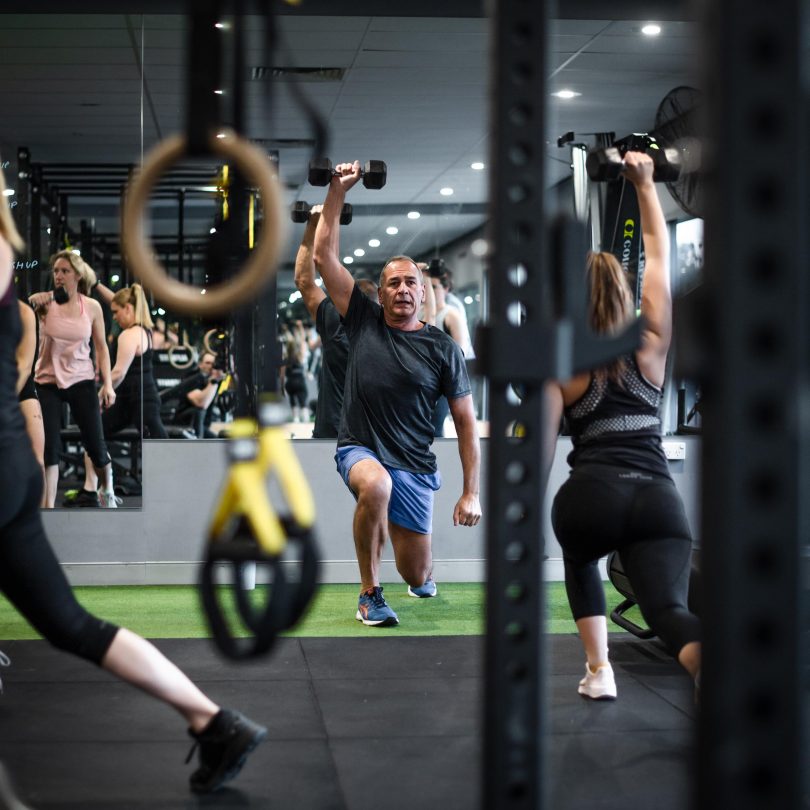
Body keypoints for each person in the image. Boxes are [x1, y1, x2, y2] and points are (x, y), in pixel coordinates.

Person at [0, 169, 266, 794]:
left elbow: (95, 359)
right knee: (69, 622)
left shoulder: (90, 311)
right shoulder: (8, 263)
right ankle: (213, 719)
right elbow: (21, 356)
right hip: (12, 463)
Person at [542, 151, 701, 700]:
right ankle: (702, 659)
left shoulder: (563, 365)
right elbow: (659, 258)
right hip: (659, 498)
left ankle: (599, 671)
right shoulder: (651, 346)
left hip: (592, 495)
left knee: (579, 555)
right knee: (669, 610)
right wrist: (645, 185)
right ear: (625, 297)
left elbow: (539, 454)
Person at [313, 160, 482, 627]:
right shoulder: (362, 319)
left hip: (414, 463)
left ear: (423, 292)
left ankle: (415, 572)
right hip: (361, 447)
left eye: (411, 282)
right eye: (394, 283)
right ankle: (369, 593)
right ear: (381, 293)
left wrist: (471, 492)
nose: (403, 290)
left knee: (419, 571)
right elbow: (324, 260)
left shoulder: (442, 348)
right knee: (375, 484)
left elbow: (466, 422)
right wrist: (337, 190)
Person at [28, 251, 117, 508]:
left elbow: (101, 348)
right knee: (50, 450)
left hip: (82, 381)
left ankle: (107, 490)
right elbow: (25, 308)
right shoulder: (44, 304)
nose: (58, 275)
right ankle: (48, 507)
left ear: (77, 275)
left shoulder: (91, 307)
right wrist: (34, 301)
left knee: (96, 448)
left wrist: (108, 384)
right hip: (47, 382)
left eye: (64, 271)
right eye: (55, 271)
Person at [67, 283, 169, 506]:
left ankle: (170, 493)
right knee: (95, 435)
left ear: (129, 309)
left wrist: (102, 390)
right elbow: (123, 300)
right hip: (131, 400)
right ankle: (92, 490)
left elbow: (119, 372)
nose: (113, 318)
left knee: (161, 448)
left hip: (140, 400)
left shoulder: (129, 334)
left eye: (115, 312)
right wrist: (95, 285)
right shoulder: (144, 330)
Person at [293, 204, 379, 438]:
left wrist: (312, 224)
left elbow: (304, 281)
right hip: (373, 437)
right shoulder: (391, 331)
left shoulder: (335, 326)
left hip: (335, 433)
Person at [429, 268, 475, 437]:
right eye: (427, 286)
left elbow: (459, 354)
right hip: (425, 383)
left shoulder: (451, 315)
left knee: (435, 430)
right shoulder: (422, 313)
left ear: (446, 289)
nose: (430, 291)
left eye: (434, 287)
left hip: (442, 384)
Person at [15, 299, 46, 506]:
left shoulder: (24, 312)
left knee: (36, 458)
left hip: (19, 385)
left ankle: (42, 517)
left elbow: (26, 366)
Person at [172, 351, 225, 438]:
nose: (211, 366)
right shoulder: (193, 377)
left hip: (204, 425)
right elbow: (201, 403)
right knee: (199, 411)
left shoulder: (216, 378)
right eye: (207, 363)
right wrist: (214, 381)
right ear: (200, 364)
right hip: (186, 424)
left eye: (213, 363)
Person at [279, 320, 310, 423]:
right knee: (303, 401)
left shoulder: (286, 356)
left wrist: (282, 386)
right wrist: (300, 328)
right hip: (300, 380)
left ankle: (296, 419)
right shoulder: (300, 355)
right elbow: (302, 340)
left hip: (290, 381)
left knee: (293, 401)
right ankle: (305, 419)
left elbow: (282, 373)